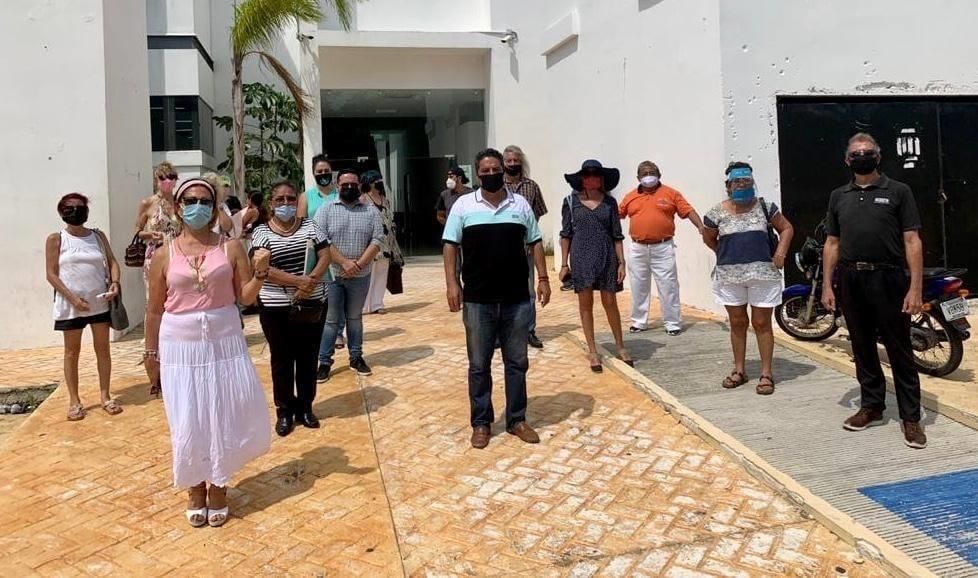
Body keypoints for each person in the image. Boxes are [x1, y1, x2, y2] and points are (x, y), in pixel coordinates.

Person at [144, 178, 272, 528]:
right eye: (190, 200)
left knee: (221, 412)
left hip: (223, 340)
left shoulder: (230, 248)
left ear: (215, 208)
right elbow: (154, 310)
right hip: (180, 345)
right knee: (187, 417)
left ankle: (218, 483)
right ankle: (194, 486)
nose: (197, 206)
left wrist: (261, 271)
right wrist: (151, 352)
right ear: (178, 206)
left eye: (204, 201)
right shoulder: (164, 254)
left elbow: (245, 296)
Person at [821, 133, 926, 449]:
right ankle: (872, 406)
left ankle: (911, 418)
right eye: (856, 153)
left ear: (878, 157)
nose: (862, 156)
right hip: (851, 279)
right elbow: (832, 243)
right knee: (862, 346)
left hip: (888, 278)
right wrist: (827, 285)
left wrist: (915, 288)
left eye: (867, 152)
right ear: (847, 159)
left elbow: (912, 241)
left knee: (899, 349)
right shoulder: (838, 196)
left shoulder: (898, 191)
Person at [443, 148, 551, 449]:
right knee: (479, 364)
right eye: (485, 171)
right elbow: (450, 245)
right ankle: (481, 423)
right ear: (477, 174)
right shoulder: (464, 205)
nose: (491, 174)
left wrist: (543, 279)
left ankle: (516, 419)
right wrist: (452, 283)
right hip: (478, 299)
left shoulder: (520, 204)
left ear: (503, 170)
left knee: (517, 362)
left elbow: (535, 241)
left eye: (495, 170)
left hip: (516, 297)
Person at [702, 162, 794, 395]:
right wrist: (725, 254)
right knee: (737, 322)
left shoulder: (766, 207)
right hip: (729, 277)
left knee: (762, 323)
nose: (742, 185)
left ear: (752, 182)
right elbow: (709, 238)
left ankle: (766, 373)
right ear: (728, 185)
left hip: (763, 275)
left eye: (746, 181)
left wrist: (780, 253)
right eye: (737, 181)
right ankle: (739, 370)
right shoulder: (715, 213)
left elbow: (786, 228)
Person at [251, 181, 332, 437]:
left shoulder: (311, 226)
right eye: (280, 199)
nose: (286, 203)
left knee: (308, 357)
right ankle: (284, 410)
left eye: (290, 199)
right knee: (282, 359)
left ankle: (305, 407)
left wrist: (311, 282)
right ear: (271, 203)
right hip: (276, 307)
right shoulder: (261, 232)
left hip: (312, 303)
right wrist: (299, 282)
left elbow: (325, 255)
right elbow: (263, 269)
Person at [46, 193, 123, 421]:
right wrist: (73, 300)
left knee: (103, 349)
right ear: (61, 212)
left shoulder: (97, 236)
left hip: (99, 303)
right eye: (70, 208)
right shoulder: (56, 239)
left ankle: (105, 396)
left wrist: (115, 283)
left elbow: (112, 262)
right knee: (71, 352)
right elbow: (51, 274)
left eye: (80, 207)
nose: (75, 211)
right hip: (71, 306)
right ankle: (74, 401)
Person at [559, 160, 632, 373]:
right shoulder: (570, 202)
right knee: (586, 303)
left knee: (610, 301)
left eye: (596, 175)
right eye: (587, 174)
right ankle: (592, 350)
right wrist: (563, 264)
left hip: (606, 255)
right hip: (581, 256)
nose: (591, 178)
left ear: (602, 179)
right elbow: (566, 234)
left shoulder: (610, 202)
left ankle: (620, 345)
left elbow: (617, 235)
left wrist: (622, 262)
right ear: (582, 178)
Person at [619, 161, 704, 336]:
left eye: (651, 172)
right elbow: (617, 214)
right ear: (638, 177)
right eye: (644, 173)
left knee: (668, 286)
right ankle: (639, 322)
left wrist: (701, 227)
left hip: (663, 247)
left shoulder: (671, 193)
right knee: (638, 285)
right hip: (637, 247)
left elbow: (688, 211)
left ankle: (672, 323)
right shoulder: (630, 196)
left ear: (659, 175)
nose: (648, 176)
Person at [315, 170, 384, 381]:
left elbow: (377, 239)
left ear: (359, 186)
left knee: (355, 318)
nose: (349, 188)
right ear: (337, 185)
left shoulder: (370, 211)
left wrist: (359, 264)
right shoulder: (326, 209)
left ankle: (356, 357)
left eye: (353, 184)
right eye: (345, 184)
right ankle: (324, 362)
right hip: (333, 275)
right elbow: (320, 239)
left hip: (360, 276)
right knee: (331, 320)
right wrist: (344, 262)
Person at [134, 162, 181, 396]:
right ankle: (155, 363)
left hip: (178, 255)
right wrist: (149, 234)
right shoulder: (148, 203)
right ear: (156, 179)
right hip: (155, 257)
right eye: (163, 177)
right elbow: (137, 230)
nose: (167, 181)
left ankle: (175, 358)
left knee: (176, 304)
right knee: (155, 307)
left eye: (171, 177)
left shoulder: (180, 202)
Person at [503, 145, 549, 349]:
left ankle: (529, 330)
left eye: (516, 160)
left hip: (526, 249)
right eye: (509, 161)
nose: (512, 164)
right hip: (502, 249)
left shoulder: (532, 186)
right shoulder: (497, 187)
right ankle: (504, 331)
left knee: (528, 291)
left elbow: (537, 215)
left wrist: (530, 239)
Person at [361, 170, 404, 314]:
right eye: (375, 180)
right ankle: (365, 305)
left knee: (382, 273)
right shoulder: (363, 199)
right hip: (371, 242)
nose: (378, 182)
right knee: (370, 274)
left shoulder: (384, 199)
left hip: (387, 242)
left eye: (379, 179)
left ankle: (377, 304)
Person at [298, 153, 336, 219]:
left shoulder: (340, 194)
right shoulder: (305, 197)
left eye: (326, 170)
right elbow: (301, 223)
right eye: (319, 171)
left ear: (331, 171)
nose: (323, 173)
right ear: (313, 174)